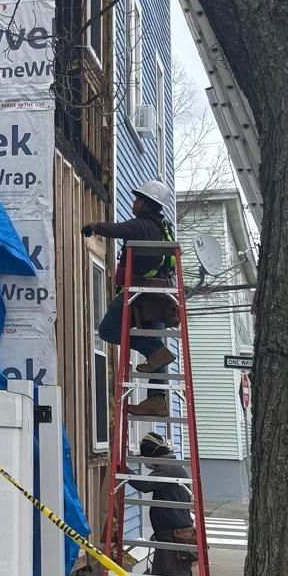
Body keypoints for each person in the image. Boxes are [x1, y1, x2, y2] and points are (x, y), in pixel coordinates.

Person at [82, 177, 177, 419]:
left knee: (107, 330)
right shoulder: (164, 228)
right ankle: (158, 399)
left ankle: (154, 352)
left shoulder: (143, 225)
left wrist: (94, 226)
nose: (134, 203)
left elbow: (118, 230)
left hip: (140, 296)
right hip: (161, 299)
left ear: (146, 203)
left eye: (137, 199)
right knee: (157, 348)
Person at [130, 432, 197, 576]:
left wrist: (123, 472)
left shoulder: (169, 467)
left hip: (176, 537)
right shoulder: (167, 466)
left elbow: (145, 485)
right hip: (166, 537)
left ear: (153, 454)